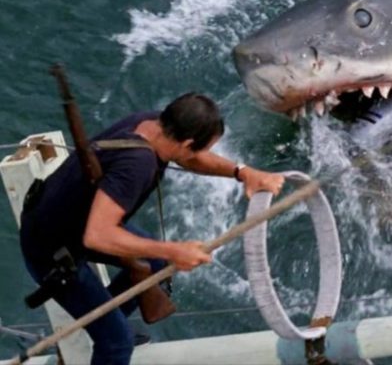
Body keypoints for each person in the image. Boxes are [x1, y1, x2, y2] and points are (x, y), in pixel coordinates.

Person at [19, 92, 284, 364]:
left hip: (65, 220)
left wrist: (242, 172)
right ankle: (109, 336)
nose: (199, 155)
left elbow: (190, 158)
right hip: (52, 251)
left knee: (152, 264)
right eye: (201, 148)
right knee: (118, 344)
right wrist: (173, 251)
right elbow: (98, 235)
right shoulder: (138, 164)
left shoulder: (151, 124)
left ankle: (105, 324)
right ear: (188, 142)